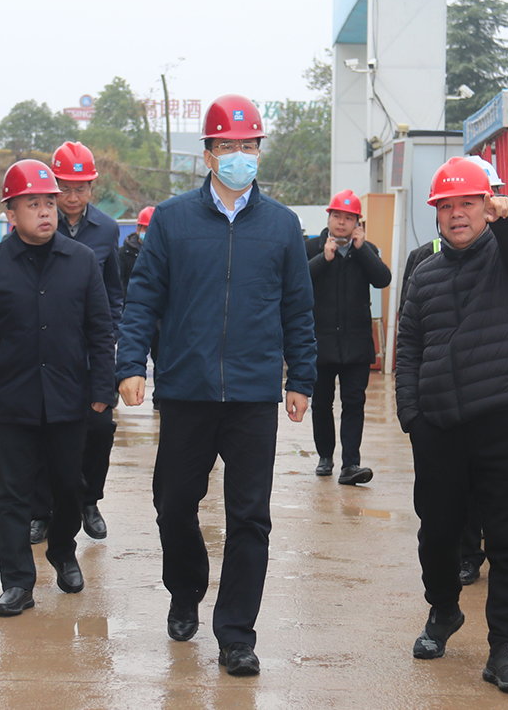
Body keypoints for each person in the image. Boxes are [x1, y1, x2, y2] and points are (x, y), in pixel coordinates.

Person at [117, 94, 317, 676]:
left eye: (248, 145)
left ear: (259, 151)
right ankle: (186, 589)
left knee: (250, 517)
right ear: (207, 154)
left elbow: (298, 309)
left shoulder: (282, 226)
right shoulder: (173, 221)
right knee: (173, 504)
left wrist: (302, 377)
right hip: (187, 389)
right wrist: (130, 364)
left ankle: (236, 635)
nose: (238, 154)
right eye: (227, 145)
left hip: (254, 395)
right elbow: (143, 299)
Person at [396, 156, 508, 694]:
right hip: (439, 429)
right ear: (436, 214)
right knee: (436, 534)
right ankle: (443, 610)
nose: (457, 214)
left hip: (503, 423)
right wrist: (412, 416)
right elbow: (408, 347)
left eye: (468, 203)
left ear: (487, 207)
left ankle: (503, 647)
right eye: (446, 206)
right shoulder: (424, 273)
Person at [0, 159, 115, 617]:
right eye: (33, 204)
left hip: (69, 397)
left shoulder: (81, 261)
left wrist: (102, 389)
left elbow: (100, 330)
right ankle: (18, 583)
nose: (45, 211)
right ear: (11, 213)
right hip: (12, 400)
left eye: (49, 202)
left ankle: (62, 550)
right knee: (12, 494)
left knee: (69, 487)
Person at [30, 142, 122, 544]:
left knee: (99, 427)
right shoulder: (35, 223)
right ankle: (41, 511)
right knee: (41, 429)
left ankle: (89, 501)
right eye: (64, 188)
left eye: (80, 188)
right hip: (46, 350)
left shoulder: (106, 230)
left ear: (91, 188)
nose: (71, 197)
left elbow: (114, 290)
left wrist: (111, 332)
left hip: (90, 351)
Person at [305, 189, 391, 484]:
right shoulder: (311, 248)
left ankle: (350, 464)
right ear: (329, 217)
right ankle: (325, 457)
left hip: (356, 345)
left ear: (358, 223)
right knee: (321, 404)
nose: (342, 222)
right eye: (337, 216)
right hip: (321, 343)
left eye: (349, 218)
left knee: (354, 403)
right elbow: (297, 282)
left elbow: (383, 279)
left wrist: (362, 249)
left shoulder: (366, 250)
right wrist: (324, 258)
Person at [119, 206, 154, 297]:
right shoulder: (122, 254)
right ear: (138, 229)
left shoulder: (164, 254)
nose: (150, 233)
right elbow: (117, 285)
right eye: (146, 229)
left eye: (153, 229)